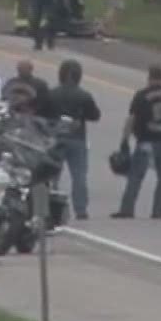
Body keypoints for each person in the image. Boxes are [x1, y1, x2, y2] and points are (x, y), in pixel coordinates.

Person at [114, 65, 161, 220]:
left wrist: (124, 140)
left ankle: (127, 209)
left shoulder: (141, 95)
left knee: (135, 176)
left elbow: (131, 120)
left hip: (145, 141)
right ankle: (158, 213)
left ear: (150, 77)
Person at [45, 59, 102, 220]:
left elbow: (43, 114)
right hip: (77, 139)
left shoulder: (52, 94)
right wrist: (81, 116)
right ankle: (81, 209)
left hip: (55, 138)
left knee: (51, 175)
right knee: (79, 176)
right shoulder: (84, 96)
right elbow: (95, 115)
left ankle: (50, 206)